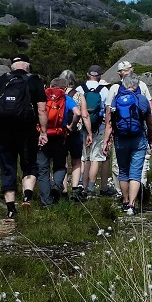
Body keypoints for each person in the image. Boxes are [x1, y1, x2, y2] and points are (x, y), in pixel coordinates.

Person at [0, 55, 49, 219]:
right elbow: (42, 109)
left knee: (7, 166)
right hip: (27, 130)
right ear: (27, 66)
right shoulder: (34, 80)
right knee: (29, 164)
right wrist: (43, 132)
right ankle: (27, 197)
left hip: (4, 131)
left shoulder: (2, 80)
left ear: (13, 67)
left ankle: (10, 208)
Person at [103, 73, 152, 215]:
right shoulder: (142, 99)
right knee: (135, 172)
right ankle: (132, 205)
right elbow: (150, 122)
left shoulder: (116, 99)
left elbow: (109, 123)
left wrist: (105, 141)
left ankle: (125, 201)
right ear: (137, 84)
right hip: (138, 139)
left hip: (120, 139)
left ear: (124, 85)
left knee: (123, 171)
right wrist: (151, 135)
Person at [38, 77, 81, 207]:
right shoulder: (66, 98)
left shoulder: (42, 96)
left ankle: (46, 202)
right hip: (59, 136)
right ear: (65, 88)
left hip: (42, 135)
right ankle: (56, 185)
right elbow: (78, 113)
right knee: (60, 165)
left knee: (43, 169)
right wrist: (72, 126)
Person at [77, 65, 111, 197]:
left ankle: (81, 186)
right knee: (96, 157)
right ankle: (91, 188)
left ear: (87, 74)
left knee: (84, 158)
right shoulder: (104, 90)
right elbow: (108, 110)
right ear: (100, 75)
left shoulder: (80, 89)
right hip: (99, 127)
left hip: (83, 127)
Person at [58, 69, 91, 201]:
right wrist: (89, 133)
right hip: (75, 132)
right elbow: (84, 115)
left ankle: (64, 189)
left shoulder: (54, 94)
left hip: (59, 132)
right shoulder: (78, 95)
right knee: (76, 161)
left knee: (62, 161)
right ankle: (75, 189)